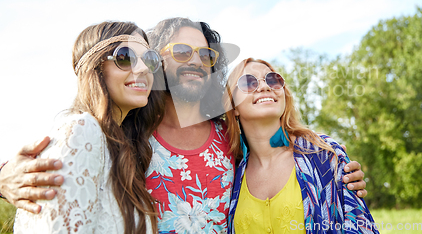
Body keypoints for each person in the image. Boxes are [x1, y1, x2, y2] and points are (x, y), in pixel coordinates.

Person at [0, 18, 367, 233]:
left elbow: (283, 158)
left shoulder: (232, 138)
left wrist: (338, 172)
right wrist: (3, 178)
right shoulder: (129, 133)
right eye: (180, 52)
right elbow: (60, 167)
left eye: (204, 54)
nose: (194, 61)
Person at [13, 21, 166, 234]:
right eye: (125, 57)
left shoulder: (122, 145)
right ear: (96, 68)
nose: (142, 68)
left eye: (149, 59)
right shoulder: (82, 130)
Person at [223, 58, 379, 234]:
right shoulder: (229, 175)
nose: (265, 86)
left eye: (273, 80)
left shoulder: (324, 153)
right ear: (233, 105)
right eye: (248, 82)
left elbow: (360, 227)